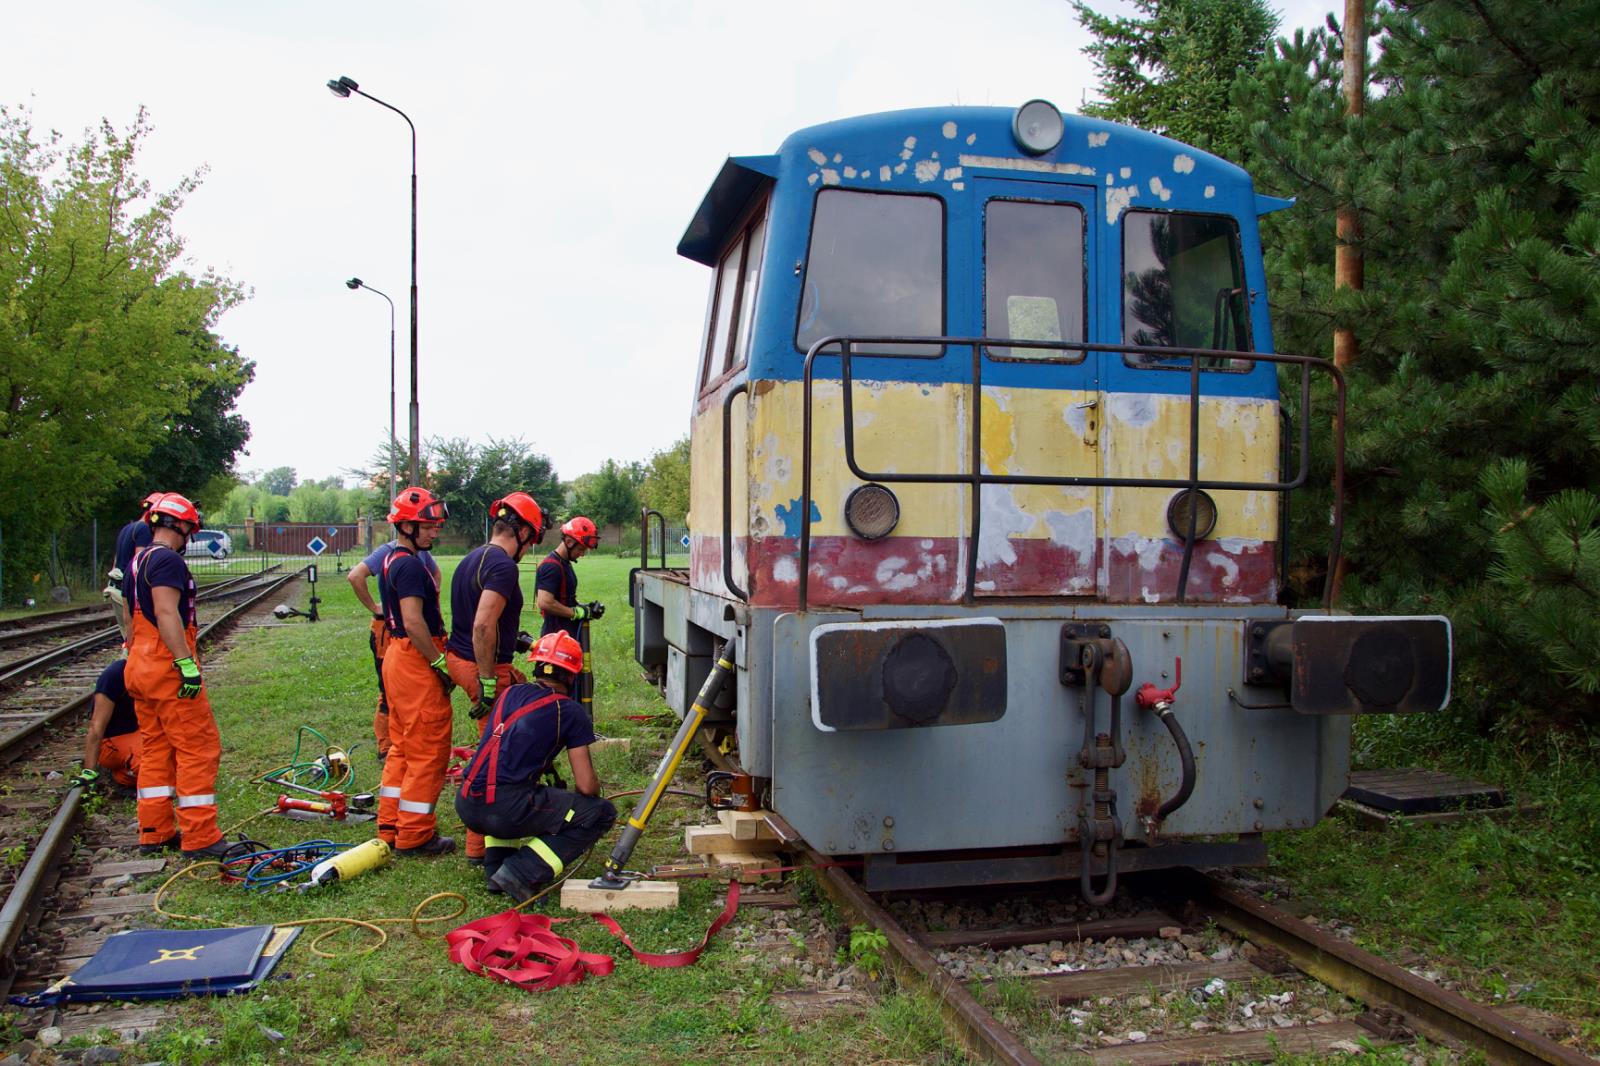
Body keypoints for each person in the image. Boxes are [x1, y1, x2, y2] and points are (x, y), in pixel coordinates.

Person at [455, 632, 616, 899]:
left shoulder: (510, 694)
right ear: (571, 676)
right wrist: (583, 804)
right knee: (600, 813)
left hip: (468, 801)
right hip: (504, 808)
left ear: (537, 666)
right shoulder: (570, 711)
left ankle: (497, 871)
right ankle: (521, 872)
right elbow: (586, 786)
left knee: (506, 796)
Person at [122, 492, 229, 858]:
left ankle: (154, 829)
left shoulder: (138, 561)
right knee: (197, 747)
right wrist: (185, 664)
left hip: (139, 663)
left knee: (155, 748)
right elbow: (167, 613)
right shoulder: (167, 560)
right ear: (179, 525)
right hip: (165, 667)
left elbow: (128, 612)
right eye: (189, 530)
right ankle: (200, 836)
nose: (189, 537)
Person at [444, 492, 547, 867]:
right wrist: (488, 681)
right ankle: (483, 847)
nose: (531, 547)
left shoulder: (474, 557)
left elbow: (486, 620)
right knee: (498, 754)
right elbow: (483, 623)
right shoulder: (503, 566)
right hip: (481, 665)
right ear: (520, 532)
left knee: (504, 739)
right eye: (531, 539)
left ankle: (493, 835)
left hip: (467, 659)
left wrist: (514, 641)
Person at [374, 486, 457, 856]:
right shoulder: (409, 565)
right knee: (427, 748)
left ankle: (391, 824)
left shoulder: (393, 559)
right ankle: (415, 834)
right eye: (426, 525)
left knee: (402, 746)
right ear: (405, 525)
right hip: (413, 657)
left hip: (397, 656)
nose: (433, 531)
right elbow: (413, 621)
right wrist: (439, 663)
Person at [347, 534, 440, 762]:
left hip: (413, 632)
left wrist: (426, 595)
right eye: (427, 526)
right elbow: (355, 575)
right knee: (388, 691)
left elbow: (436, 574)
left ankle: (405, 741)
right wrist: (375, 606)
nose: (433, 532)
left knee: (410, 692)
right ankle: (386, 746)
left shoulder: (422, 551)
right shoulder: (388, 551)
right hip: (388, 631)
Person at [69, 658, 143, 794]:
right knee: (151, 767)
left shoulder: (162, 668)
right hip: (115, 739)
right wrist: (89, 770)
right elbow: (97, 725)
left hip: (144, 731)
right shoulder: (115, 674)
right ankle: (123, 777)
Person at [536, 516, 605, 640]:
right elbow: (545, 602)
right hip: (556, 639)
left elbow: (564, 600)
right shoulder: (552, 566)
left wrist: (586, 608)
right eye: (580, 549)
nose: (582, 554)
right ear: (568, 542)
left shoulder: (565, 563)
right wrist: (576, 613)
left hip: (567, 635)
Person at [105, 493, 161, 642]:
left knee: (130, 642)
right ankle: (123, 666)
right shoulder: (144, 530)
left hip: (116, 588)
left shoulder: (128, 528)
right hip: (127, 592)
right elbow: (140, 563)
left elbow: (117, 560)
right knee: (136, 644)